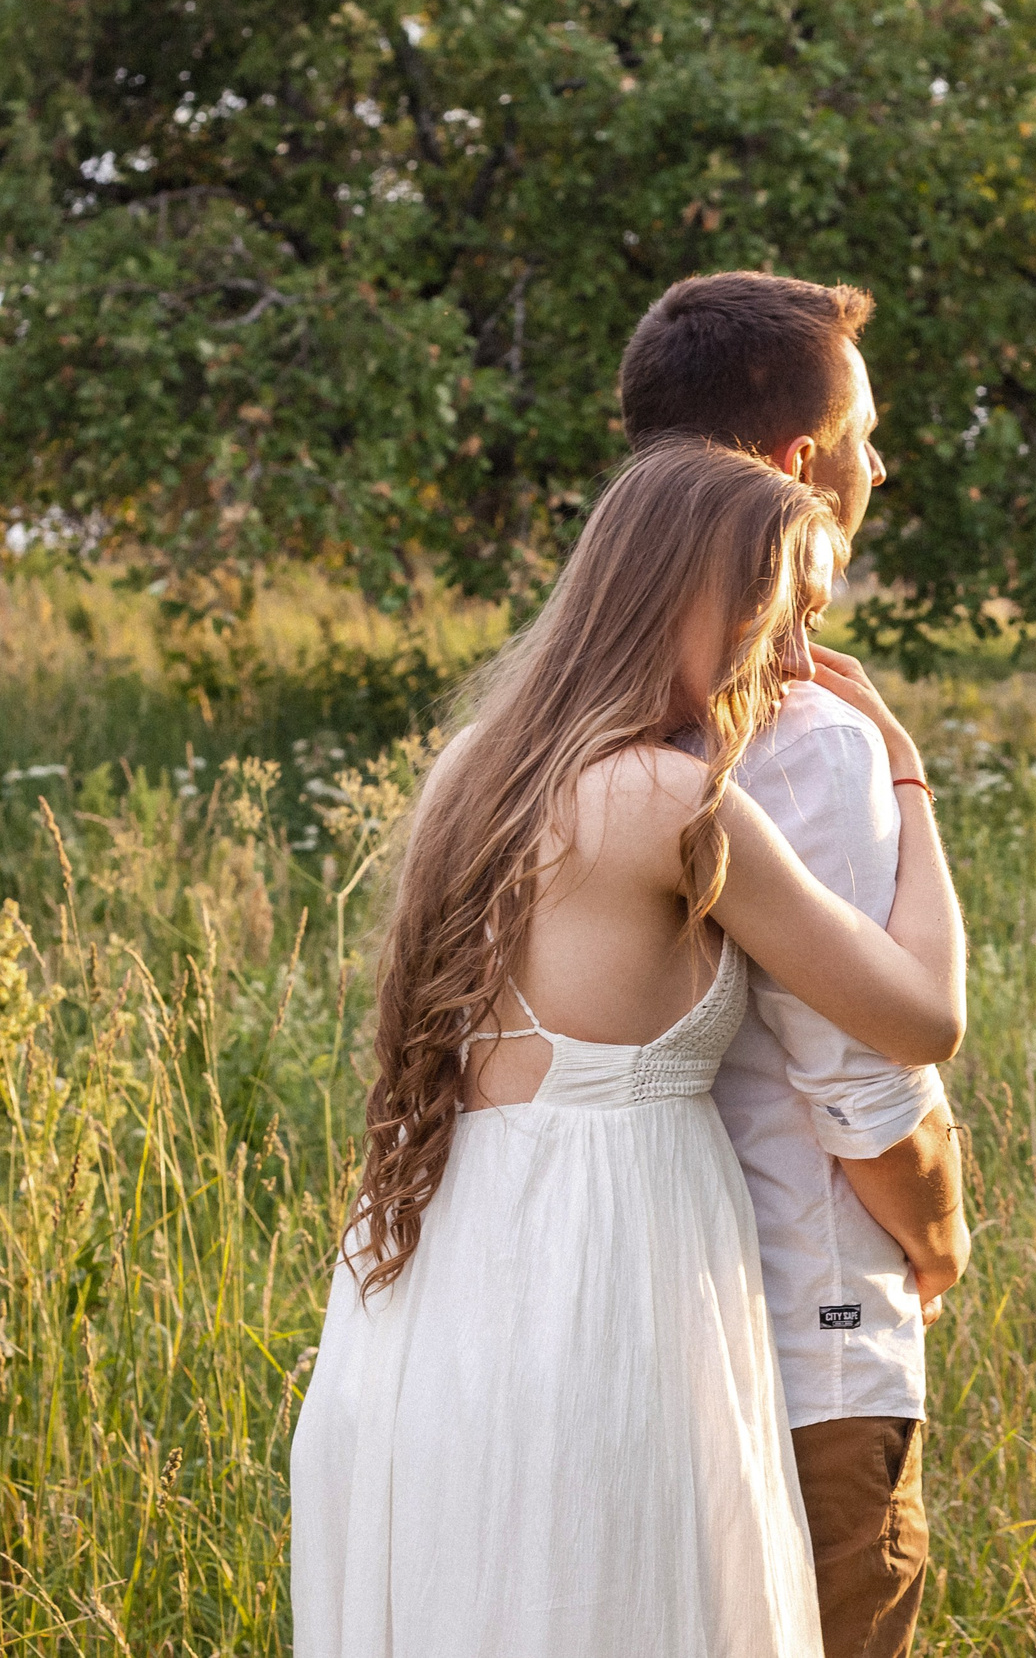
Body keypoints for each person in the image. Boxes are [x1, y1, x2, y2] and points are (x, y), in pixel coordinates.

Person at [289, 437, 966, 1656]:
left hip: (447, 1272)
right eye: (789, 619)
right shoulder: (675, 803)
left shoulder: (472, 771)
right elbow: (921, 1015)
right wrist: (907, 778)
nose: (801, 664)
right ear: (711, 603)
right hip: (605, 1279)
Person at [620, 272, 971, 1658]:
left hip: (643, 1324)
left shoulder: (584, 719)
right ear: (792, 468)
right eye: (863, 436)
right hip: (813, 1332)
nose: (878, 465)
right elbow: (865, 1083)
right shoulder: (811, 733)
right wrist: (937, 1230)